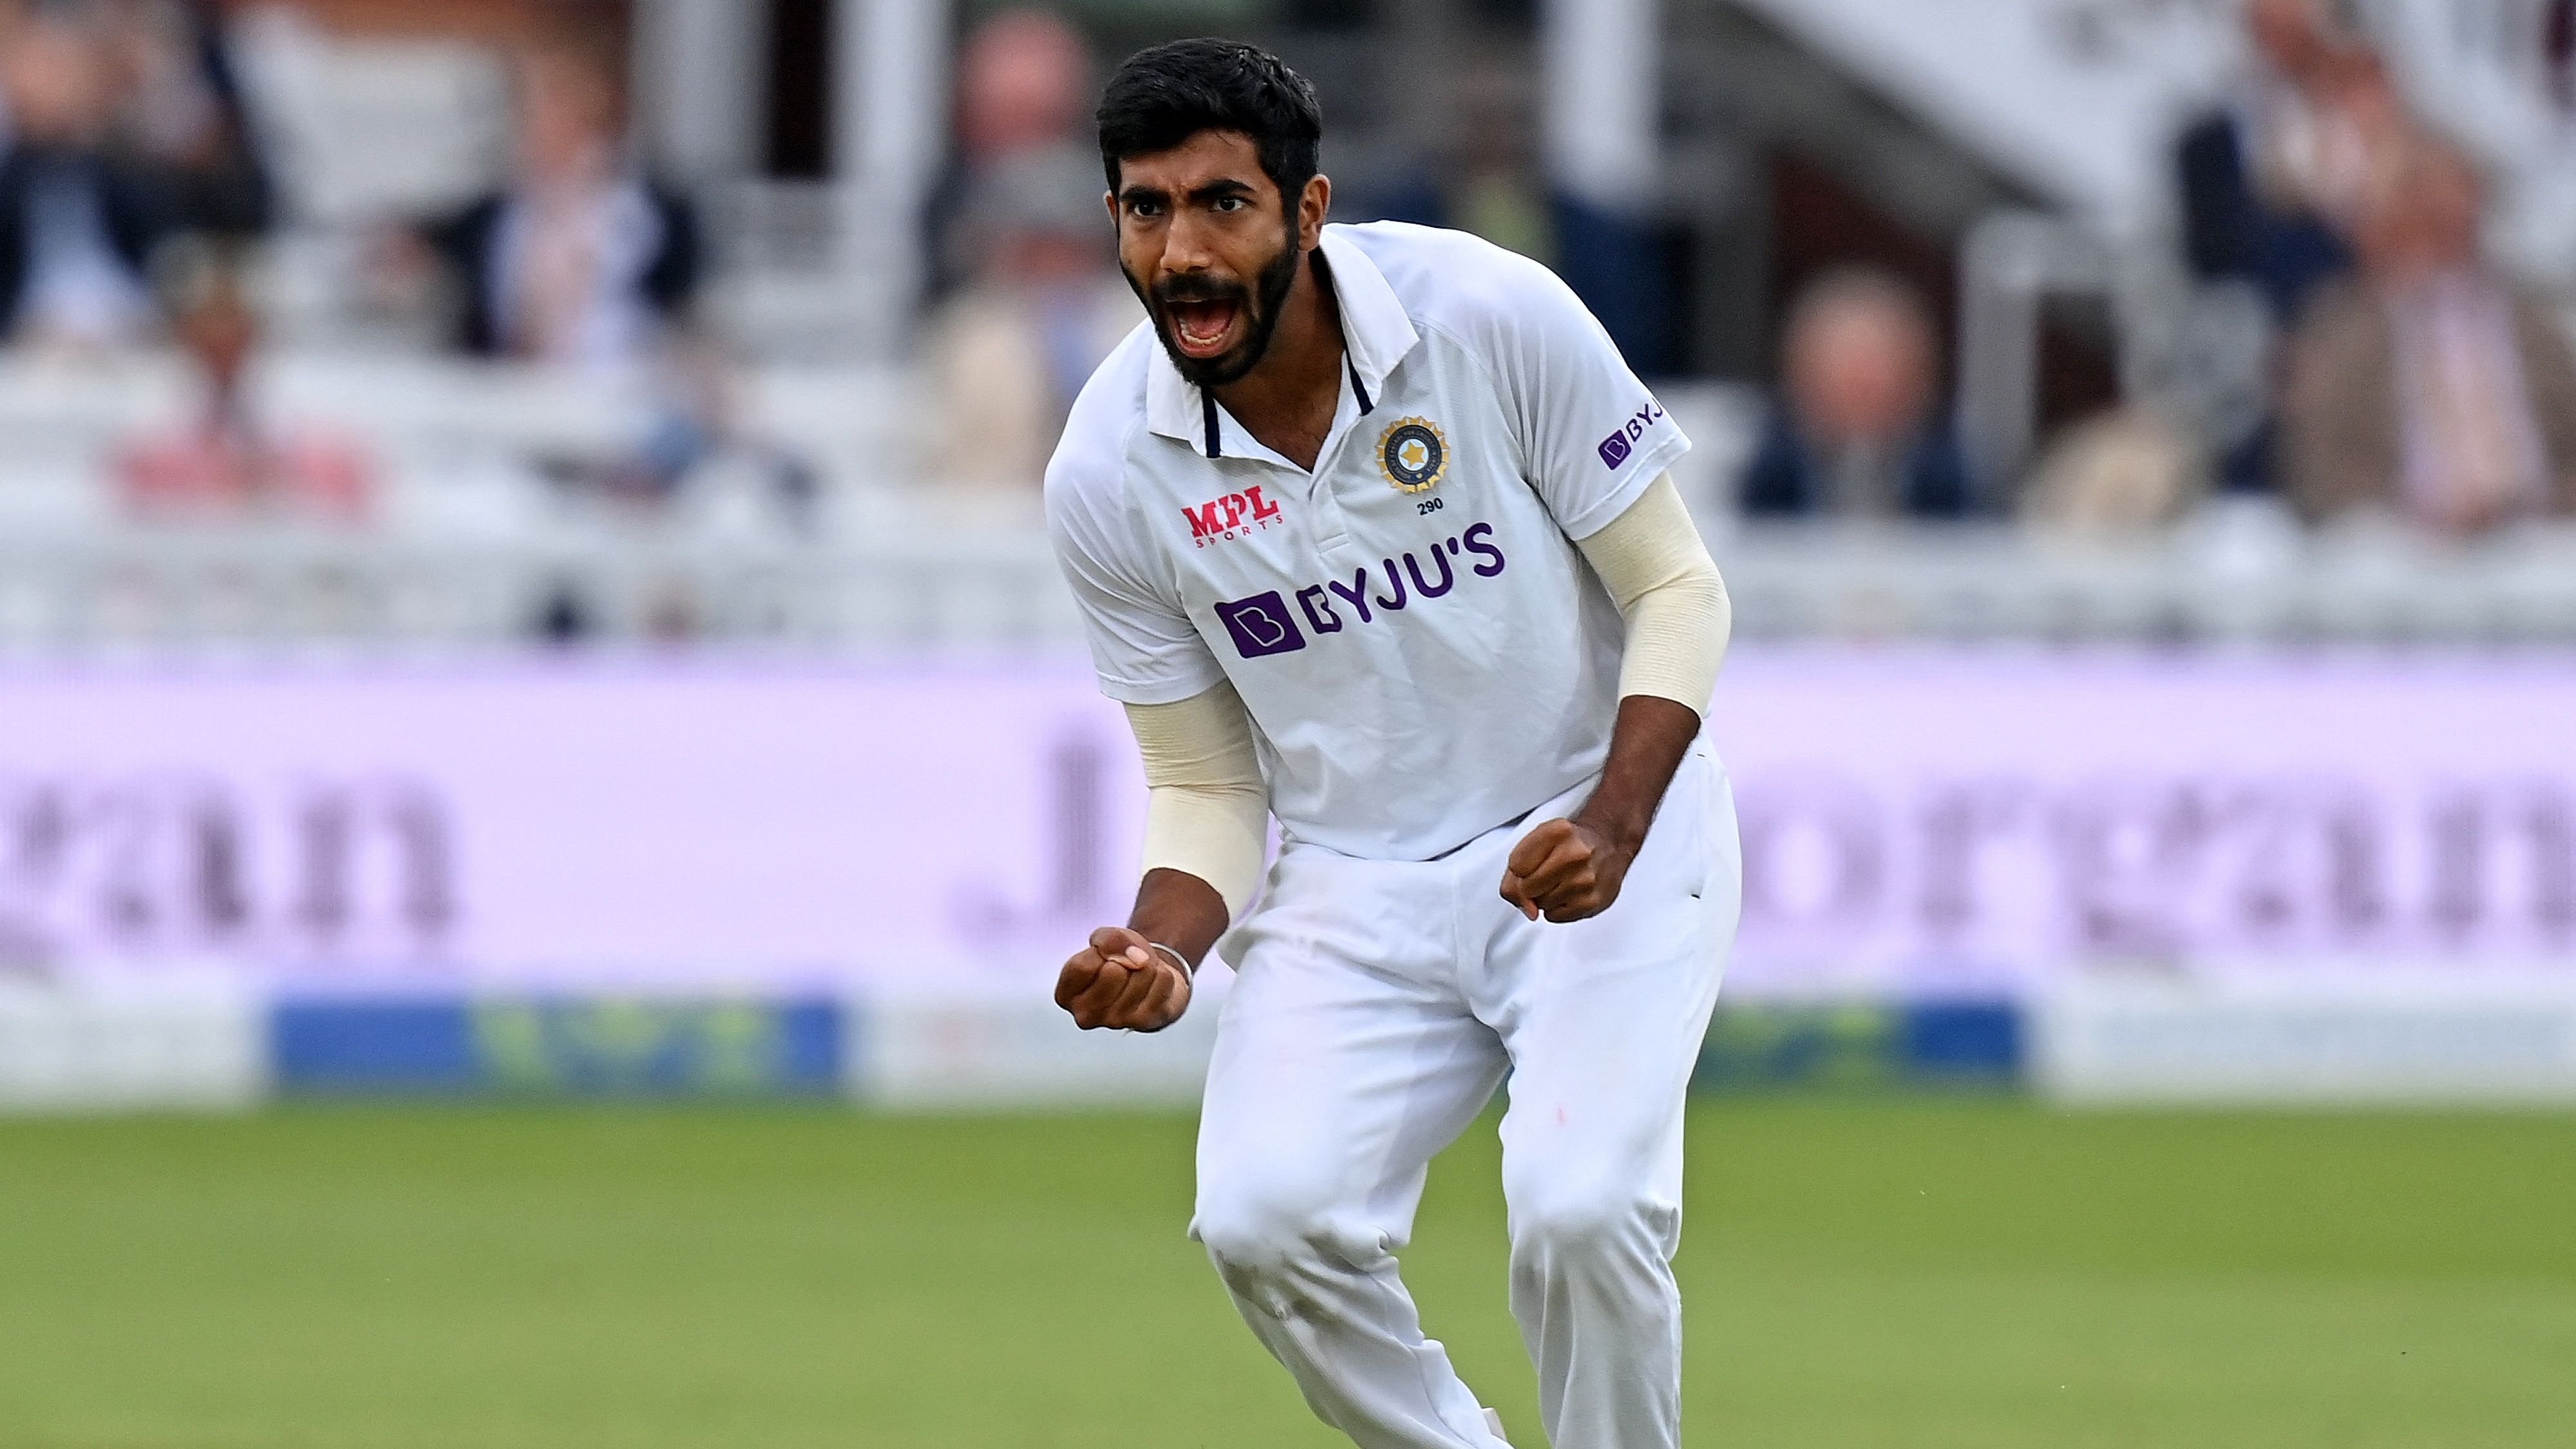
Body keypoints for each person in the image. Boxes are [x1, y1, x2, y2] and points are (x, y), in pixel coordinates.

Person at [1045, 40, 1738, 1449]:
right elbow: (1202, 782)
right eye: (1142, 209)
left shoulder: (1483, 313)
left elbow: (1675, 587)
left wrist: (1609, 821)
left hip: (1586, 823)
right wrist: (1164, 947)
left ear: (1307, 212)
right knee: (1262, 1221)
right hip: (1356, 879)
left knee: (1581, 1208)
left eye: (1219, 205)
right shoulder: (1108, 467)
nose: (1178, 251)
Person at [2281, 137, 2576, 534]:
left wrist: (2536, 505)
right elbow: (2318, 467)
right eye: (2425, 220)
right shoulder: (2340, 331)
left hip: (2536, 536)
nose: (2442, 241)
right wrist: (2413, 512)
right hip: (2397, 544)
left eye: (2457, 223)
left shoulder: (2531, 324)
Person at [422, 35, 698, 366]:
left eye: (545, 103)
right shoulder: (492, 214)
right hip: (508, 397)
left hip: (618, 394)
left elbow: (682, 310)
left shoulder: (652, 211)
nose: (526, 122)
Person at [1738, 267, 1975, 519]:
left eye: (1878, 367)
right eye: (1847, 369)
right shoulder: (1761, 474)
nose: (1863, 386)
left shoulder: (1960, 477)